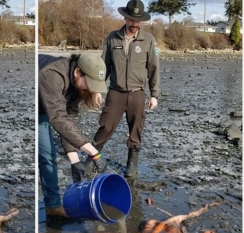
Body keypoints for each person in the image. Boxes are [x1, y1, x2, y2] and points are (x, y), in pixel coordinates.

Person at [85, 0, 160, 179]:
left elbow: (154, 69)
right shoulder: (112, 37)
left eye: (138, 20)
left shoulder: (148, 40)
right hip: (116, 93)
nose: (134, 24)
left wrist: (154, 94)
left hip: (137, 94)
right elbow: (104, 67)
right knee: (106, 127)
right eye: (131, 19)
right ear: (125, 18)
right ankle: (90, 160)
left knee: (136, 129)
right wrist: (97, 90)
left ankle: (131, 167)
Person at [38, 53, 109, 217]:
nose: (91, 89)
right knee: (47, 154)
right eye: (90, 83)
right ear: (77, 72)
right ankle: (53, 206)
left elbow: (68, 121)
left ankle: (53, 206)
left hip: (53, 108)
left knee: (51, 150)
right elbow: (57, 118)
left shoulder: (78, 86)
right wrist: (94, 153)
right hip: (38, 105)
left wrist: (75, 161)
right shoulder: (52, 75)